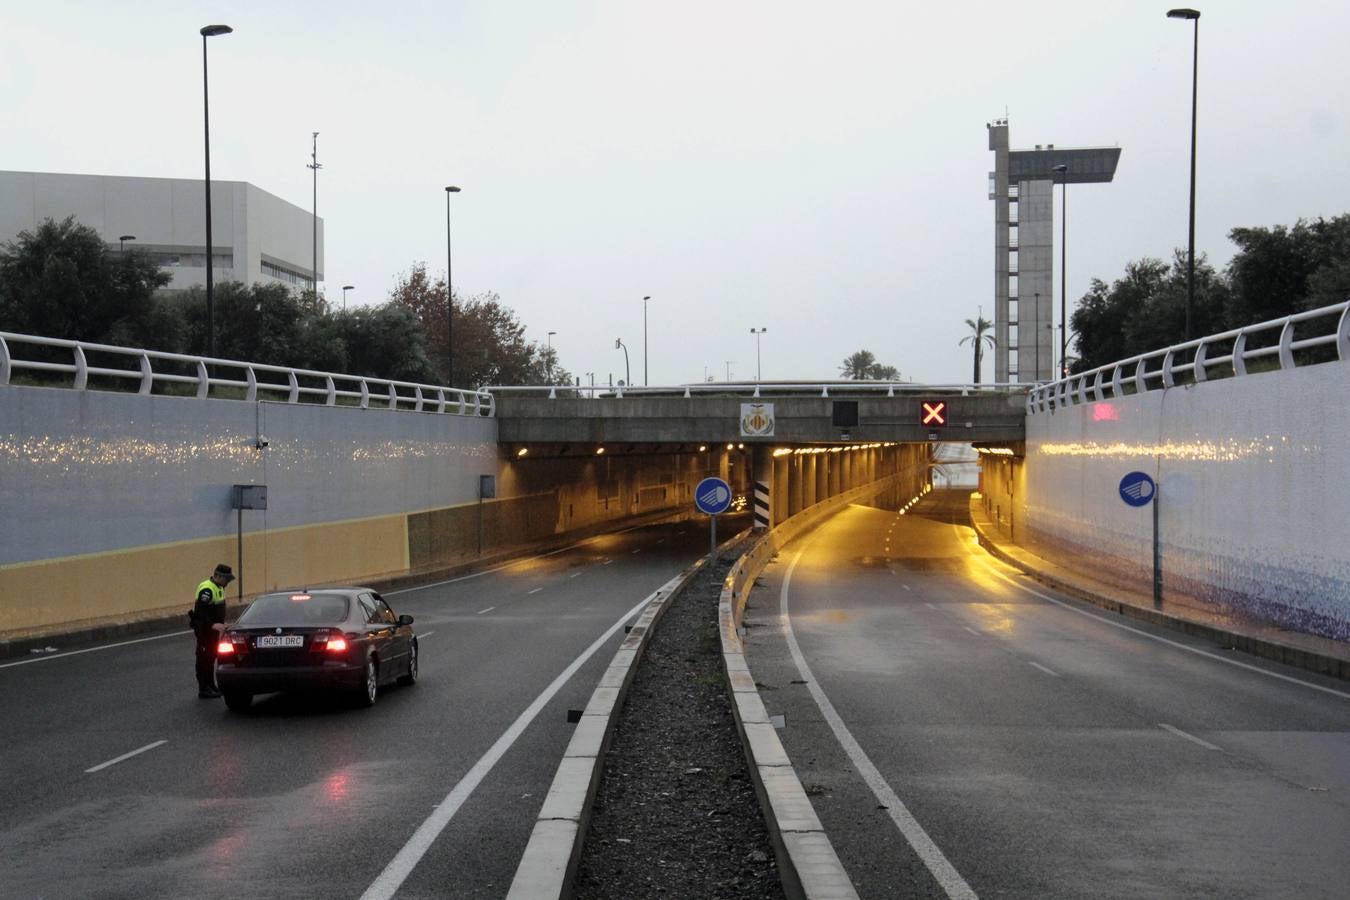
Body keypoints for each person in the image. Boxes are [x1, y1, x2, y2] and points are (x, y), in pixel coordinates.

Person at [191, 563, 234, 698]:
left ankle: (211, 685)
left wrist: (221, 624)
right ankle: (203, 689)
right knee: (203, 659)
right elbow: (200, 612)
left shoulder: (219, 587)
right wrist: (212, 625)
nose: (228, 582)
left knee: (211, 658)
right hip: (205, 631)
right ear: (218, 576)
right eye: (226, 579)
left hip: (213, 631)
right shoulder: (207, 589)